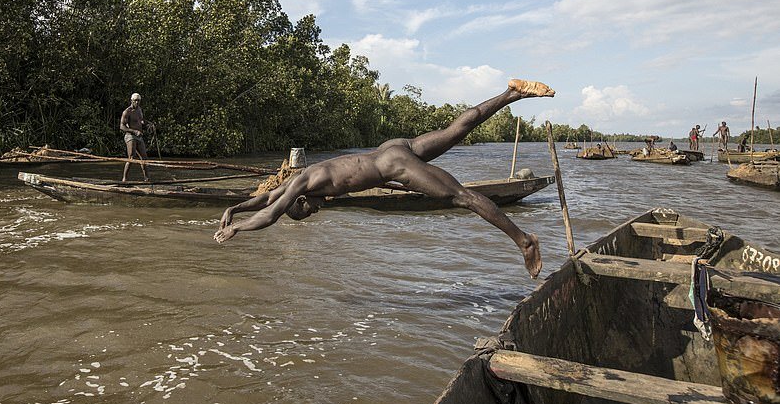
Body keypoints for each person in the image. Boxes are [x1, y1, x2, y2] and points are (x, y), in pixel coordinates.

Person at [213, 79, 555, 279]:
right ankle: (511, 93)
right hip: (390, 149)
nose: (317, 211)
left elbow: (272, 213)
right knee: (455, 130)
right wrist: (236, 207)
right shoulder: (303, 178)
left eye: (309, 212)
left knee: (463, 197)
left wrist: (237, 229)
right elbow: (268, 198)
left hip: (393, 166)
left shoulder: (303, 185)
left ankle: (524, 240)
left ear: (302, 201)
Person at [120, 92, 153, 181]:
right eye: (135, 101)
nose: (137, 102)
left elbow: (141, 121)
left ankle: (147, 179)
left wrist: (148, 124)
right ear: (131, 101)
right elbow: (122, 126)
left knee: (144, 158)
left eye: (138, 101)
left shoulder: (139, 110)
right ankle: (124, 179)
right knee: (132, 157)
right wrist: (134, 131)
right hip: (130, 136)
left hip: (139, 137)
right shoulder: (127, 112)